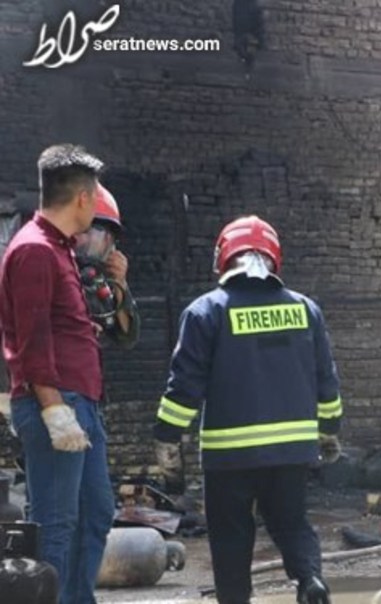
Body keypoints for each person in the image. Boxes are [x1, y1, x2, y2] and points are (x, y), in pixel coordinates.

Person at [152, 215, 342, 604]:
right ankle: (310, 581)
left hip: (230, 455)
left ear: (224, 258)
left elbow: (185, 385)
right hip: (292, 451)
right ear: (275, 258)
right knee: (292, 523)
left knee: (232, 536)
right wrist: (329, 430)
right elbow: (327, 379)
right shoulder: (306, 310)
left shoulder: (206, 312)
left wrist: (167, 438)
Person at [0, 144, 115, 603]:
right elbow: (32, 338)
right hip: (57, 405)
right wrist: (53, 409)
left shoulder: (58, 250)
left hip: (79, 403)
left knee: (95, 511)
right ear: (84, 198)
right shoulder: (34, 251)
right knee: (55, 524)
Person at [75, 183, 139, 347]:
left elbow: (126, 336)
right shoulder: (50, 269)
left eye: (100, 237)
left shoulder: (96, 282)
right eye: (85, 232)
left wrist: (120, 284)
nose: (89, 242)